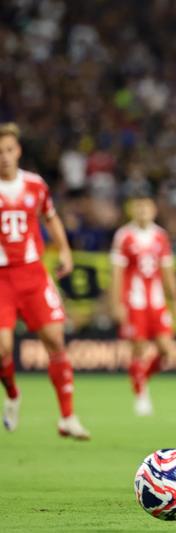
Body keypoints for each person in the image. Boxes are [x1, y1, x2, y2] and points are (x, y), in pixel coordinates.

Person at [0, 122, 90, 440]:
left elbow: (50, 217)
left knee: (55, 341)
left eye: (9, 150)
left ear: (18, 151)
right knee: (2, 348)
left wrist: (64, 250)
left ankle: (67, 417)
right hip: (1, 279)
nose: (4, 156)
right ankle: (13, 394)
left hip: (33, 274)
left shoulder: (35, 185)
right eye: (0, 152)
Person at [110, 186, 176, 416]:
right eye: (138, 206)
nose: (142, 210)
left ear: (153, 209)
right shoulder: (124, 236)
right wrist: (117, 303)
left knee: (166, 350)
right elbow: (117, 273)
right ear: (132, 209)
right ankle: (141, 395)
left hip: (157, 302)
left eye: (146, 206)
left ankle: (141, 379)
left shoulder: (161, 236)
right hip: (135, 302)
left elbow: (168, 271)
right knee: (139, 349)